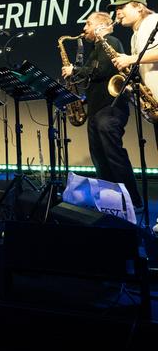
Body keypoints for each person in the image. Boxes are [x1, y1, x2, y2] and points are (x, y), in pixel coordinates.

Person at [62, 11, 142, 207]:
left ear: (100, 26)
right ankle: (110, 201)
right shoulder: (95, 48)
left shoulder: (111, 41)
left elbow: (103, 70)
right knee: (100, 157)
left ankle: (132, 202)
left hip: (111, 109)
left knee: (113, 155)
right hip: (98, 109)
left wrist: (75, 70)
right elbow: (95, 79)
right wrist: (81, 99)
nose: (84, 28)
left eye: (88, 23)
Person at [109, 0, 158, 145]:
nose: (117, 12)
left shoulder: (152, 21)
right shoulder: (135, 35)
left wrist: (130, 59)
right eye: (116, 9)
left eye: (122, 7)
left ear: (139, 7)